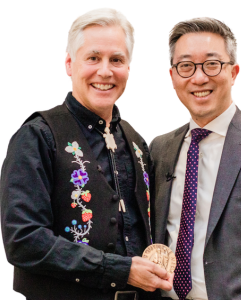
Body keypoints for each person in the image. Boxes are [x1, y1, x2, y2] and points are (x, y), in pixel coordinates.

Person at [0, 8, 172, 300]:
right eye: (93, 58)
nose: (105, 71)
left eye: (116, 60)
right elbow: (24, 240)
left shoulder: (137, 142)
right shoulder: (38, 136)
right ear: (69, 64)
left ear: (128, 68)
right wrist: (119, 270)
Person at [150, 17, 241, 300]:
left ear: (234, 72)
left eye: (212, 63)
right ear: (172, 77)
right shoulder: (160, 149)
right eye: (186, 66)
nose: (199, 77)